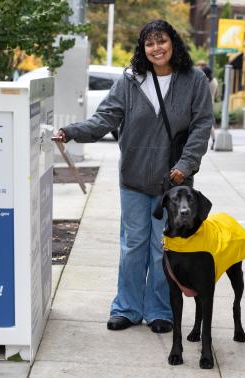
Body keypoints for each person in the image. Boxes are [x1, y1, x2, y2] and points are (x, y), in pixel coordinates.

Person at [53, 20, 212, 333]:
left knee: (162, 248)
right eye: (149, 43)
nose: (156, 48)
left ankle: (160, 310)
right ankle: (126, 308)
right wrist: (70, 131)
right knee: (133, 246)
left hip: (174, 185)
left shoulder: (193, 80)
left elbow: (202, 126)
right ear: (143, 49)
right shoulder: (130, 81)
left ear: (173, 43)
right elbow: (104, 118)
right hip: (135, 180)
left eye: (161, 41)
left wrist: (186, 164)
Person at [200, 65, 218, 150]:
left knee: (205, 124)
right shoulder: (214, 81)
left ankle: (213, 140)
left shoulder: (205, 81)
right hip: (210, 103)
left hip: (203, 104)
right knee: (208, 123)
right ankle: (214, 139)